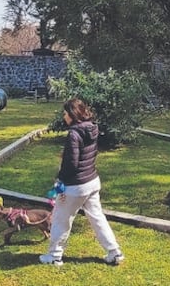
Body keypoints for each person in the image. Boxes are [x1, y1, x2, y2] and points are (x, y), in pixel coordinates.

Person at [39, 98, 124, 267]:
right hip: (92, 182)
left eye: (65, 113)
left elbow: (71, 163)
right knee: (97, 218)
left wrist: (60, 180)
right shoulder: (92, 128)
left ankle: (55, 256)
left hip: (75, 187)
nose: (64, 117)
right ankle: (114, 252)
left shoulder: (74, 134)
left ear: (72, 114)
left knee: (60, 219)